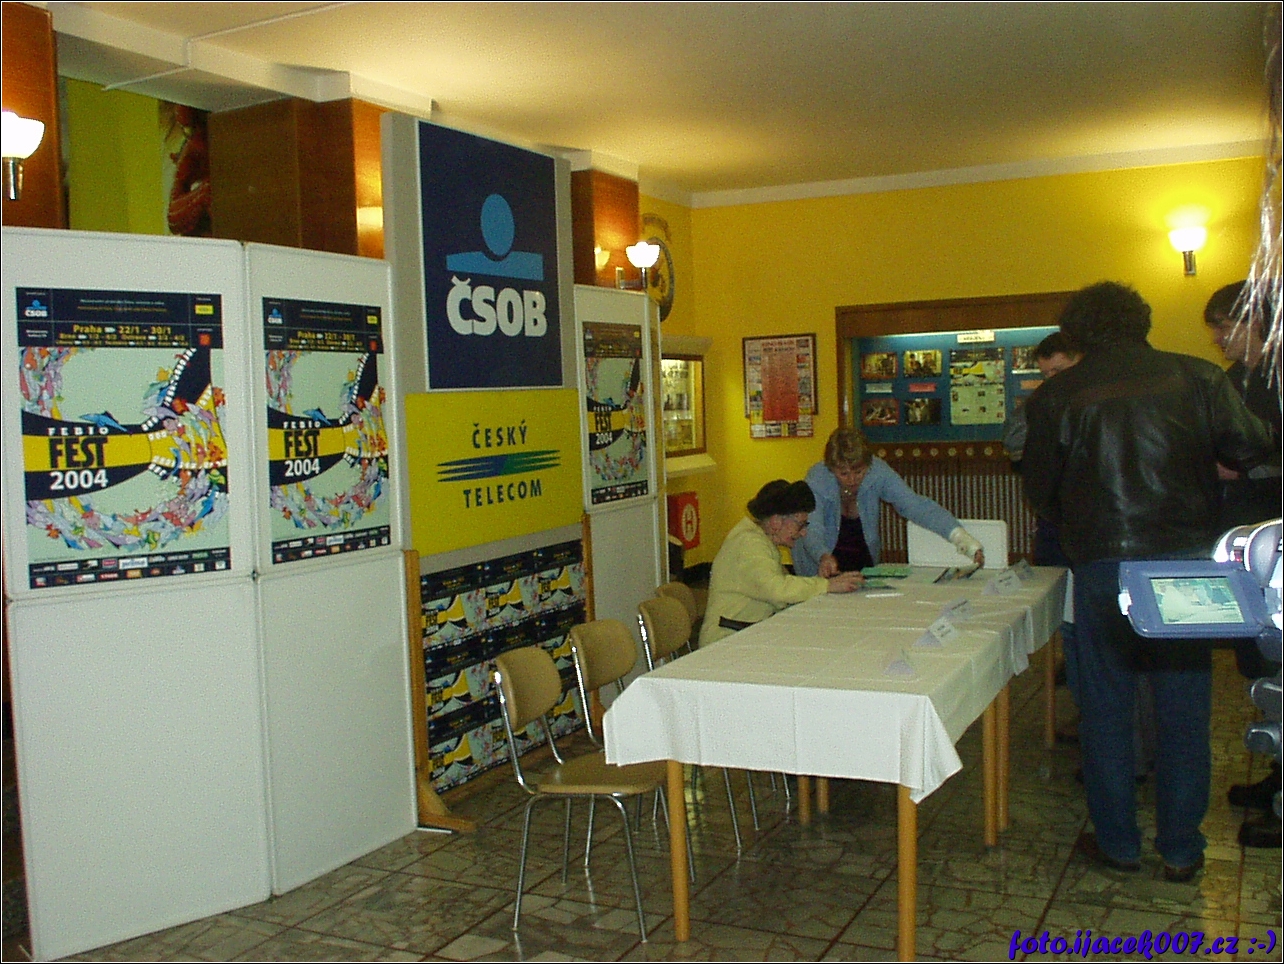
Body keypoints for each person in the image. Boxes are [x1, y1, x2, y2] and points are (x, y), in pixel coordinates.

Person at [1022, 281, 1276, 882]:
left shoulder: (1058, 395)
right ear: (1142, 321)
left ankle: (1118, 843)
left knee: (1106, 710)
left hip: (1102, 564)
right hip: (1185, 562)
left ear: (1079, 333)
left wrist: (1081, 528)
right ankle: (1182, 848)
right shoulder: (1199, 377)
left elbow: (1041, 492)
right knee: (1183, 710)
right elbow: (1251, 446)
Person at [1203, 281, 1282, 848]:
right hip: (1245, 539)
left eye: (1224, 327)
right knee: (1264, 667)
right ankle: (1277, 776)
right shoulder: (1234, 381)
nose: (1217, 338)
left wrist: (1245, 469)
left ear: (1256, 320)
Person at [793, 427, 983, 578]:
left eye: (859, 472)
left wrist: (964, 540)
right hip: (819, 565)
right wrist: (823, 556)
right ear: (831, 468)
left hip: (864, 565)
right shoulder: (817, 478)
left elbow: (915, 505)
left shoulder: (878, 471)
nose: (851, 479)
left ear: (868, 465)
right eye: (843, 473)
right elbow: (812, 527)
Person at [700, 480, 863, 646]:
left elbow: (781, 587)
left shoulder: (760, 539)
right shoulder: (749, 544)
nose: (803, 533)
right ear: (776, 521)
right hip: (725, 642)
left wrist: (823, 584)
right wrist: (826, 585)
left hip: (748, 633)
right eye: (801, 525)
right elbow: (778, 590)